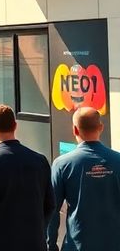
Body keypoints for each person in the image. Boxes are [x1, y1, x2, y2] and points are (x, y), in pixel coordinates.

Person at [0, 105, 53, 251]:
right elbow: (50, 204)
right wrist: (37, 229)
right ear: (15, 125)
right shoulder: (40, 160)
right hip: (33, 243)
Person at [47, 107, 120, 251]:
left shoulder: (62, 164)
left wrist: (51, 245)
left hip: (77, 245)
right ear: (101, 127)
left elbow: (52, 209)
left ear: (75, 130)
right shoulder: (118, 161)